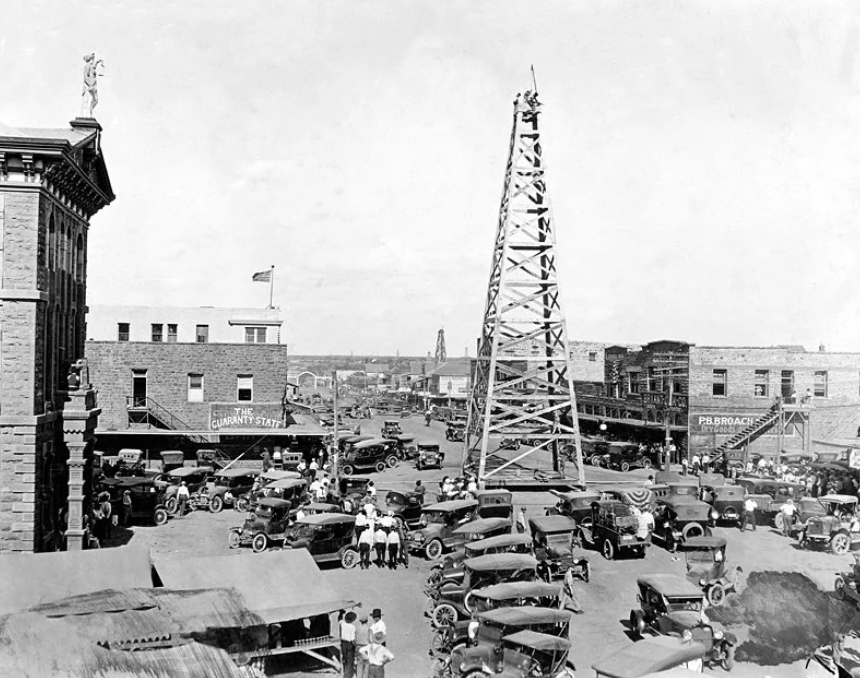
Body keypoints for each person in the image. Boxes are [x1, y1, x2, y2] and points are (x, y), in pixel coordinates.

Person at [340, 611, 357, 678]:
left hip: (343, 643)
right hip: (349, 644)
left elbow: (339, 619)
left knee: (345, 658)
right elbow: (352, 639)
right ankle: (348, 675)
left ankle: (345, 672)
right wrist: (356, 646)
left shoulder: (342, 624)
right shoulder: (352, 627)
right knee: (350, 661)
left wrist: (340, 613)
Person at [355, 611, 371, 678]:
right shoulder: (368, 629)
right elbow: (370, 639)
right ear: (367, 620)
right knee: (367, 664)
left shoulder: (357, 628)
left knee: (359, 664)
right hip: (366, 647)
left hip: (358, 647)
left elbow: (355, 638)